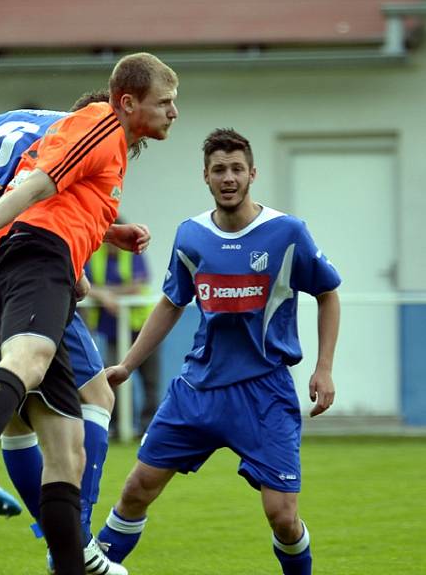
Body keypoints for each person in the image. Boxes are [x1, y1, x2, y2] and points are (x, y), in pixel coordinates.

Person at [0, 51, 178, 575]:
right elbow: (38, 186)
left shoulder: (112, 152)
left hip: (46, 263)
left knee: (67, 444)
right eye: (166, 102)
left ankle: (72, 561)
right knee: (33, 354)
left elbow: (58, 198)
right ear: (129, 101)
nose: (173, 112)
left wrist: (104, 237)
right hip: (32, 257)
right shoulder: (101, 124)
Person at [96, 128, 341, 575]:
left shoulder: (287, 233)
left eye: (236, 169)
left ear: (252, 174)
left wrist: (323, 368)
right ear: (205, 177)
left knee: (283, 517)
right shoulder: (191, 236)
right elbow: (172, 301)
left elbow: (328, 293)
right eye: (218, 170)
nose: (228, 178)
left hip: (265, 393)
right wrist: (128, 365)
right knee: (135, 490)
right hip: (198, 390)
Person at [85, 222, 160, 437]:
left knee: (149, 379)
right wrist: (104, 295)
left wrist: (105, 292)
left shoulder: (134, 250)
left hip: (143, 327)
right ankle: (116, 426)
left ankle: (148, 428)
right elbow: (83, 284)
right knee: (113, 378)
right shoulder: (95, 253)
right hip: (112, 329)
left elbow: (137, 284)